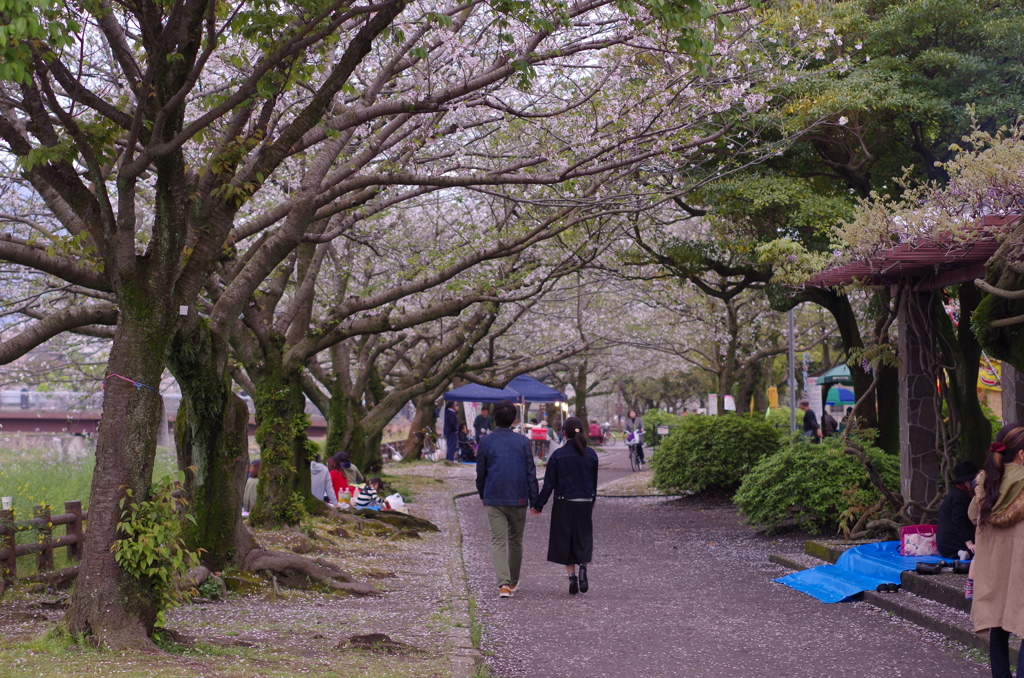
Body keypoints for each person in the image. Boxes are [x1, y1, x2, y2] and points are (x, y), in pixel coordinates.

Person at [969, 424, 1024, 678]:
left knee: (999, 629)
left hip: (994, 570)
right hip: (1020, 570)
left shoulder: (986, 483)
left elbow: (973, 515)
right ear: (1022, 454)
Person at [476, 399, 538, 598]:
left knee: (498, 541)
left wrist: (482, 493)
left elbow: (481, 472)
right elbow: (531, 472)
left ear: (494, 417)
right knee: (516, 541)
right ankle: (512, 582)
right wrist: (535, 500)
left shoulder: (486, 442)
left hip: (494, 495)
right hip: (518, 496)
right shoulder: (522, 441)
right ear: (514, 419)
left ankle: (503, 584)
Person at [531, 416, 599, 595]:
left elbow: (549, 485)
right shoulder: (591, 454)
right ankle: (583, 567)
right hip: (584, 501)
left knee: (565, 540)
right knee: (583, 538)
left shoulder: (557, 455)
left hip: (563, 502)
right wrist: (591, 502)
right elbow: (593, 483)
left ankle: (572, 578)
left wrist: (538, 504)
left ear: (564, 433)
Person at [936, 461, 978, 559]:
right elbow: (959, 521)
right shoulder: (959, 496)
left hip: (947, 543)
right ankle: (967, 552)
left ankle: (967, 552)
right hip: (952, 543)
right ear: (965, 483)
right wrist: (970, 544)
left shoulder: (957, 493)